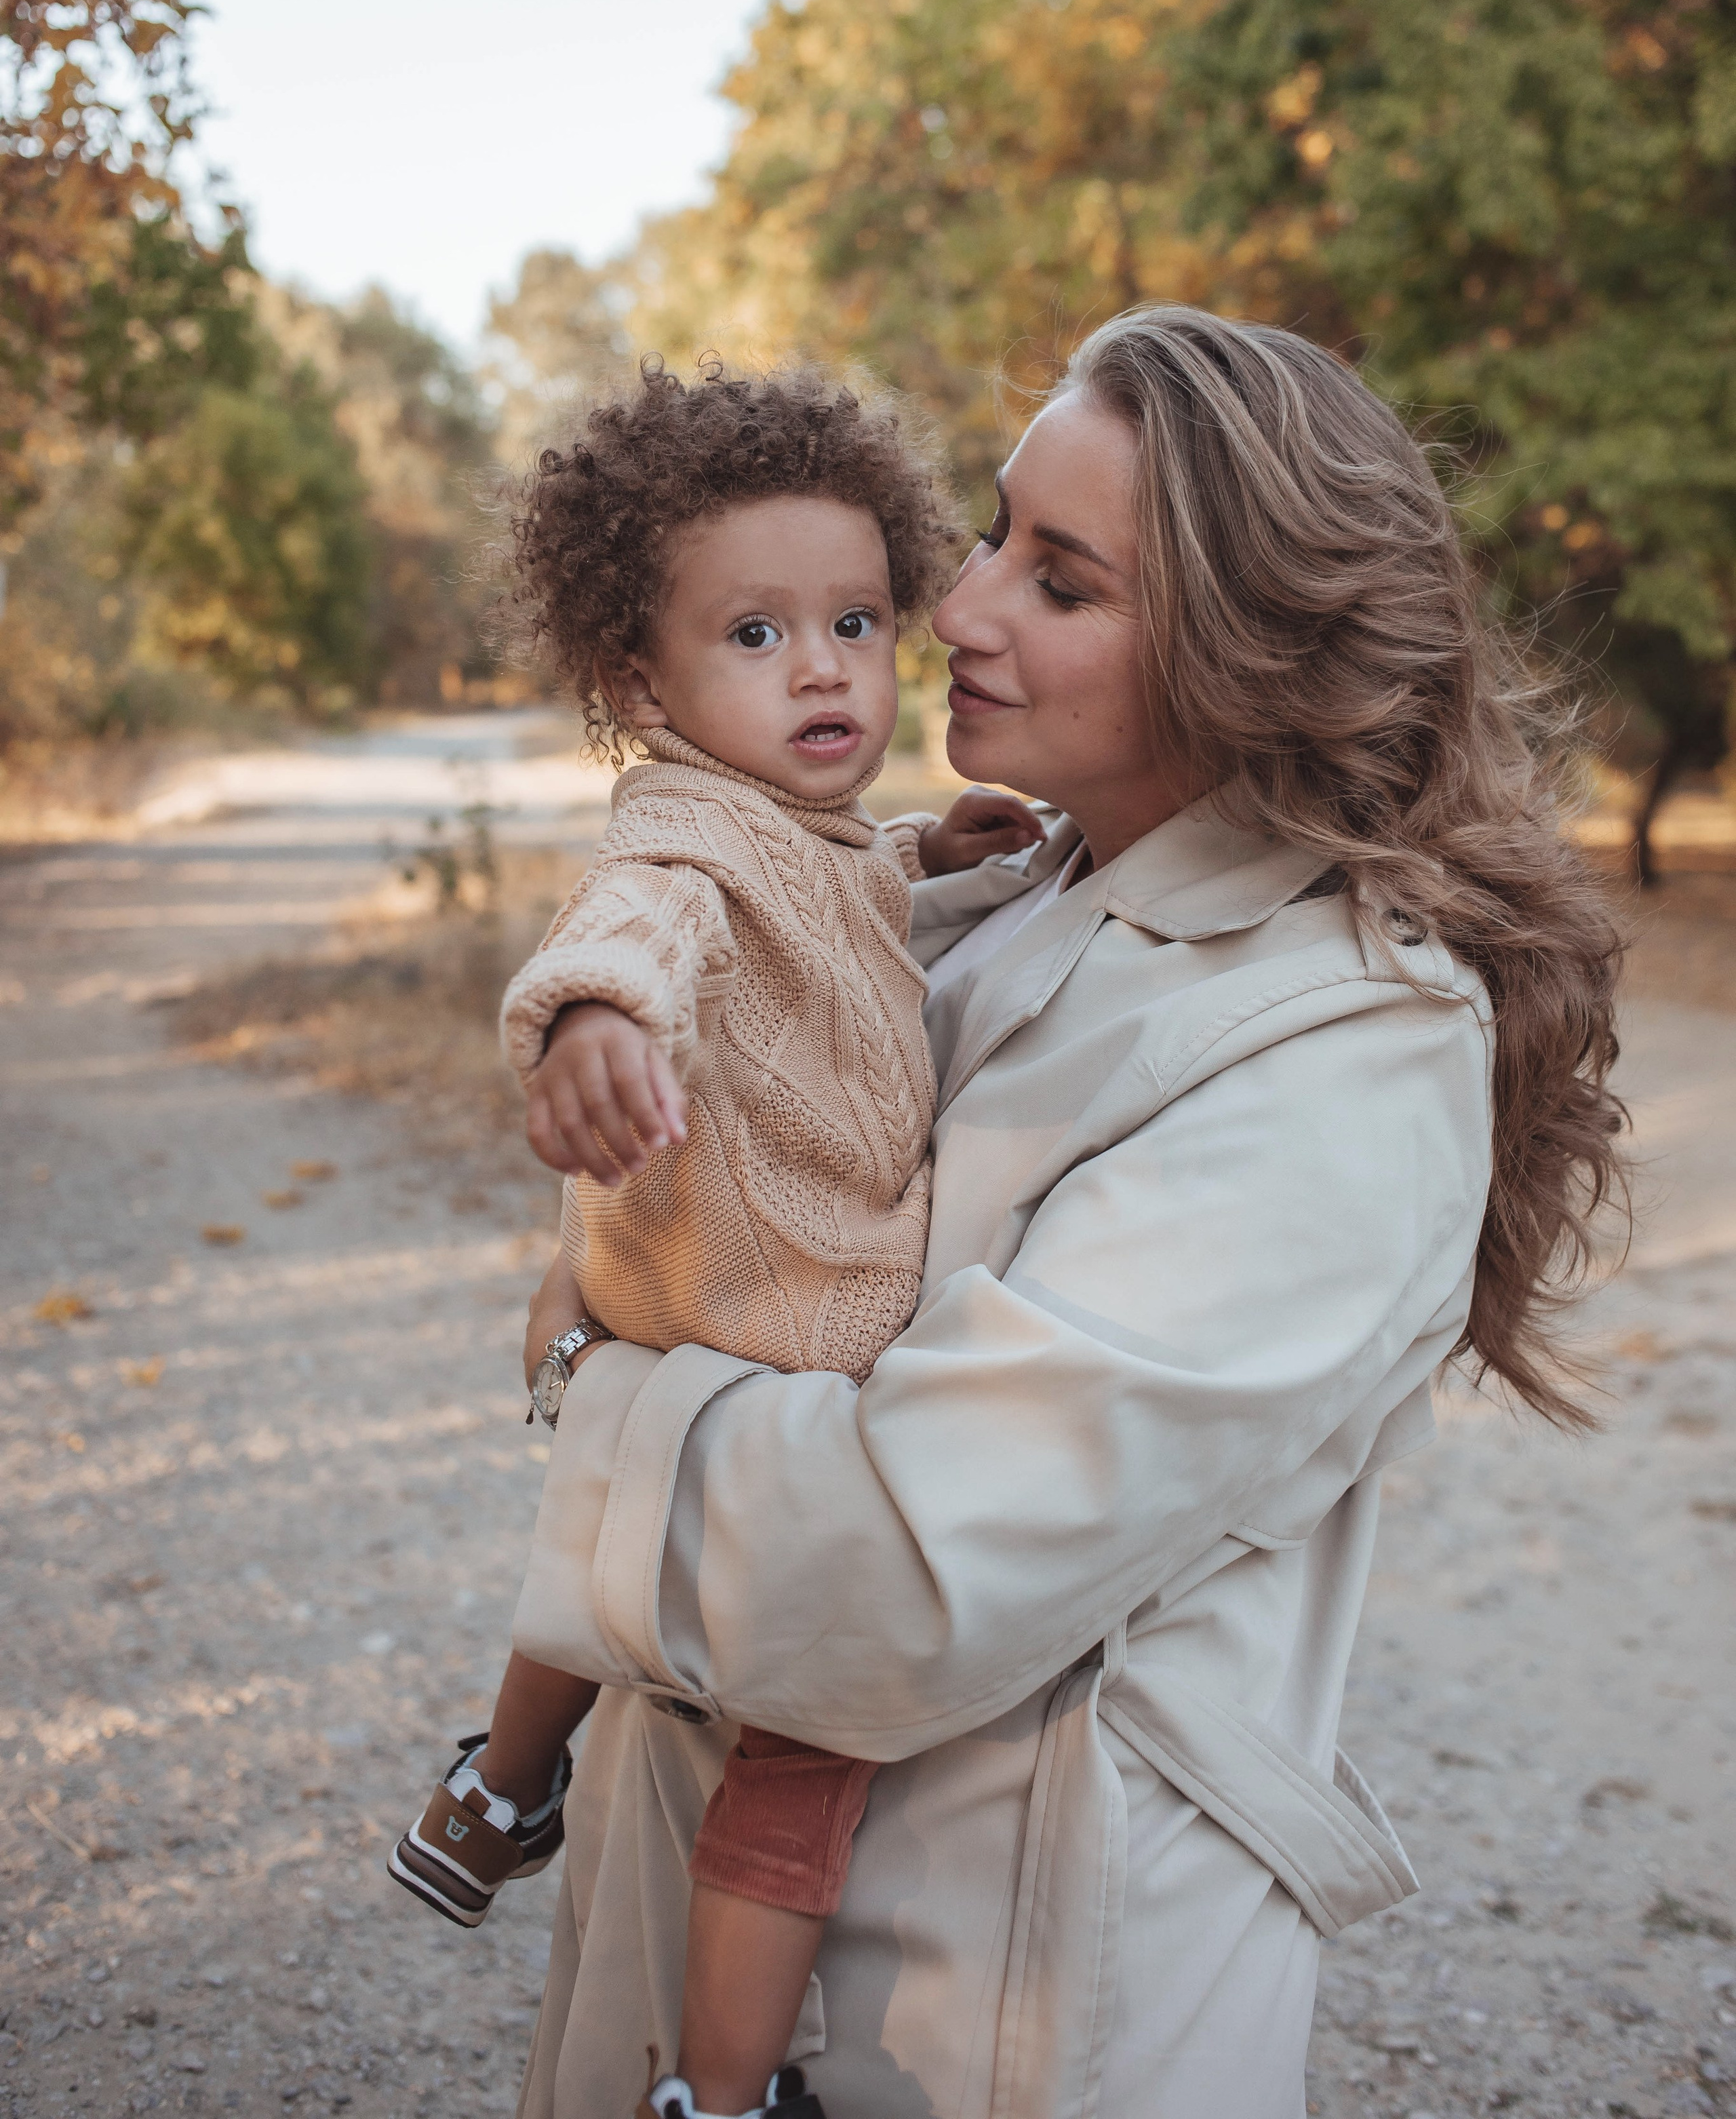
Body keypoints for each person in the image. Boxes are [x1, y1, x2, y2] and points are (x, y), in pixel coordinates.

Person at [505, 304, 1625, 2119]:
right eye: (998, 532)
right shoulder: (993, 888)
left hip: (992, 1996)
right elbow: (762, 1217)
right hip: (728, 1869)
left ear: (1252, 656)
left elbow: (902, 1570)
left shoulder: (1346, 1051)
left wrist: (602, 1388)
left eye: (1064, 580)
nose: (957, 609)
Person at [390, 362, 1042, 2119]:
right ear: (641, 681)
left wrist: (928, 848)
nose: (823, 667)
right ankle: (725, 2093)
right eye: (754, 636)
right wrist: (595, 1023)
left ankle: (496, 1796)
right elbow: (642, 926)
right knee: (800, 1763)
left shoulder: (805, 827)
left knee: (596, 1554)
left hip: (707, 1319)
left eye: (855, 620)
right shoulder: (680, 833)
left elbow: (830, 883)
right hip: (777, 1343)